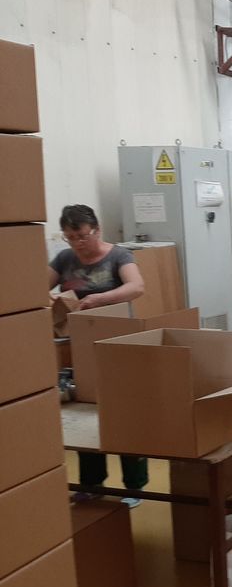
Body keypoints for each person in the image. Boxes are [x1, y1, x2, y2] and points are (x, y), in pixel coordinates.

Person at [49, 204, 148, 507]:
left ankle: (135, 487)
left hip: (118, 344)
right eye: (70, 237)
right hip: (79, 346)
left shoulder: (119, 256)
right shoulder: (64, 259)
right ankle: (91, 484)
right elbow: (35, 289)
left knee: (124, 413)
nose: (77, 243)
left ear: (97, 229)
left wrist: (100, 298)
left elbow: (137, 287)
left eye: (82, 235)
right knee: (84, 413)